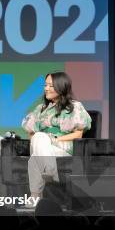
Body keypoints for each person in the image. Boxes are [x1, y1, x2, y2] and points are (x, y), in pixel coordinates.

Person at [22, 72, 91, 200]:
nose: (46, 88)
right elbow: (30, 132)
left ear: (61, 87)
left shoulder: (74, 107)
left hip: (63, 147)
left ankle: (35, 197)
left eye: (50, 85)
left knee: (34, 158)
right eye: (45, 85)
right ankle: (50, 171)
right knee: (38, 139)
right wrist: (39, 142)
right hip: (43, 147)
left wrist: (54, 139)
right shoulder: (41, 108)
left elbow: (78, 133)